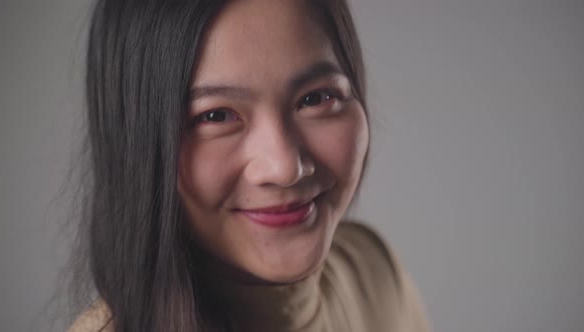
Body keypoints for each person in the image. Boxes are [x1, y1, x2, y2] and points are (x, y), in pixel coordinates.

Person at [68, 0, 429, 331]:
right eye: (216, 115)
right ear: (137, 142)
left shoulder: (373, 272)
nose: (285, 168)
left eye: (316, 98)